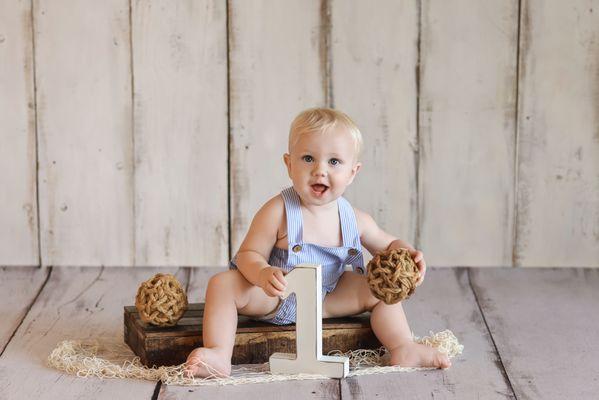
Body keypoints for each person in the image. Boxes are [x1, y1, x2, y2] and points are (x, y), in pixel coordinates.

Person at [185, 108, 450, 377]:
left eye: (334, 162)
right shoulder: (279, 211)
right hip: (276, 296)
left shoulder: (354, 219)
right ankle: (219, 352)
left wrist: (408, 254)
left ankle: (403, 346)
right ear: (289, 165)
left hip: (328, 297)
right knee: (222, 284)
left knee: (377, 291)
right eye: (308, 158)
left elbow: (388, 244)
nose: (320, 170)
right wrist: (263, 273)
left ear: (352, 172)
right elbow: (247, 254)